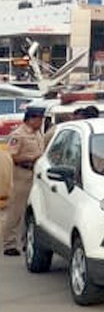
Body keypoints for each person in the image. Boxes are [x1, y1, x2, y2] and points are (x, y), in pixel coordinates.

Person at [3, 107, 45, 255]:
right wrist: (31, 159)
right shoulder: (18, 135)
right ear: (31, 119)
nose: (41, 122)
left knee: (31, 210)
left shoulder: (38, 133)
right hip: (23, 173)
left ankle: (27, 241)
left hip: (36, 173)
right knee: (17, 209)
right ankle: (9, 243)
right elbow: (13, 156)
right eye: (39, 119)